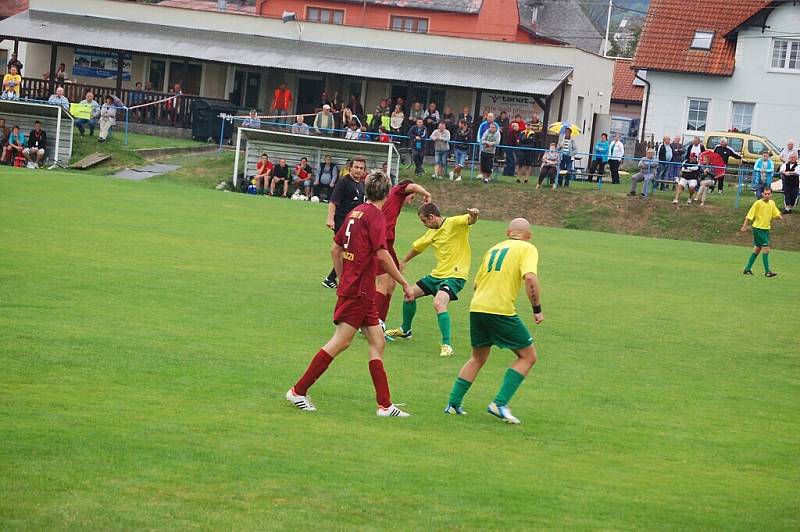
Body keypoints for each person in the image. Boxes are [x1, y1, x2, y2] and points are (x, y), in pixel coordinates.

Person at [285, 170, 415, 417]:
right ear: (387, 194)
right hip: (359, 290)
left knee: (378, 341)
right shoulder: (376, 216)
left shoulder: (355, 213)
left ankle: (385, 405)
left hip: (359, 288)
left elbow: (335, 249)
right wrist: (405, 283)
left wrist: (344, 276)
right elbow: (382, 254)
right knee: (341, 341)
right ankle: (298, 391)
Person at [443, 218, 543, 424]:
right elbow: (531, 278)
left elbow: (476, 284)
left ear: (508, 232)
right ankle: (500, 403)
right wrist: (537, 309)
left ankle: (453, 404)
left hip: (477, 306)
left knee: (477, 357)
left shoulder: (494, 248)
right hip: (500, 309)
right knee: (528, 356)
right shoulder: (528, 248)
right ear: (529, 235)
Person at [385, 204, 480, 358]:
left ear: (432, 217)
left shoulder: (454, 223)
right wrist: (404, 261)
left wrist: (474, 214)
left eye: (424, 221)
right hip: (437, 275)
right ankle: (405, 330)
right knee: (409, 294)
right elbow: (418, 248)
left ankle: (447, 345)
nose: (424, 224)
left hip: (455, 275)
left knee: (438, 303)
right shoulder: (431, 232)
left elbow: (470, 220)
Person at [374, 180, 432, 327]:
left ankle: (379, 322)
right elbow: (412, 186)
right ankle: (372, 323)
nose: (409, 202)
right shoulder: (398, 191)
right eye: (411, 198)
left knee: (392, 283)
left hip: (387, 242)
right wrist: (426, 194)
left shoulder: (393, 197)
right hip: (382, 242)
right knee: (384, 282)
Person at [322, 157, 366, 289]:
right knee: (344, 250)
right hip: (342, 221)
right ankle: (334, 279)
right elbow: (333, 201)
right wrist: (330, 219)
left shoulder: (361, 184)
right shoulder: (343, 182)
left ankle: (332, 279)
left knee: (348, 251)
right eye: (356, 167)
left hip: (354, 223)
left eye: (361, 168)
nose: (358, 170)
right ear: (350, 168)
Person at [741, 188, 781, 277]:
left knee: (757, 249)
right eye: (765, 194)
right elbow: (749, 215)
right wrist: (745, 226)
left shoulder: (772, 203)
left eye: (768, 194)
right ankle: (767, 271)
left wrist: (778, 216)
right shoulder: (758, 203)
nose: (767, 195)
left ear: (771, 195)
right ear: (762, 194)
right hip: (758, 228)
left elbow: (775, 213)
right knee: (766, 248)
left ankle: (747, 269)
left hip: (766, 229)